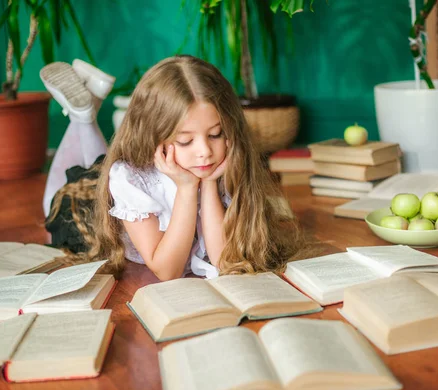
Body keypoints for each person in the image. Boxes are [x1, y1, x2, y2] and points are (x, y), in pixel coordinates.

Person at [46, 55, 304, 281]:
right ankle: (83, 118)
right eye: (185, 140)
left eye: (215, 134)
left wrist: (209, 183)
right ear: (154, 135)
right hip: (82, 208)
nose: (204, 150)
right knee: (74, 183)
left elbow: (224, 261)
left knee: (99, 163)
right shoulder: (130, 179)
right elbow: (167, 270)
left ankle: (87, 111)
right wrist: (187, 188)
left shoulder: (222, 162)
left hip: (154, 174)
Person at [40, 59, 116, 217]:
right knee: (52, 207)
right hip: (100, 217)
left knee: (53, 206)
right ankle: (87, 110)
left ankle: (93, 99)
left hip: (95, 216)